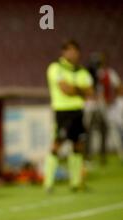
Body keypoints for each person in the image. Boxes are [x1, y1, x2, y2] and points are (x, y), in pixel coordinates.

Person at [44, 40, 94, 192]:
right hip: (62, 111)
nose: (72, 53)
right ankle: (48, 183)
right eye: (69, 50)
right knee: (57, 145)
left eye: (75, 51)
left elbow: (90, 92)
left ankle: (75, 183)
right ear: (63, 52)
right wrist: (80, 90)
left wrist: (75, 89)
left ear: (78, 53)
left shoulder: (82, 71)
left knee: (78, 146)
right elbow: (65, 89)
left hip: (78, 111)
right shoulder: (55, 68)